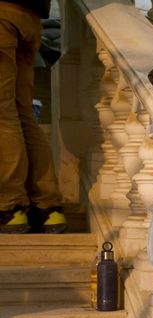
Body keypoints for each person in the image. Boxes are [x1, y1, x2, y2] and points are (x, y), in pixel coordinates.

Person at [0, 0, 66, 233]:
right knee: (22, 113)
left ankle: (9, 206)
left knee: (3, 115)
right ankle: (47, 207)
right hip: (29, 16)